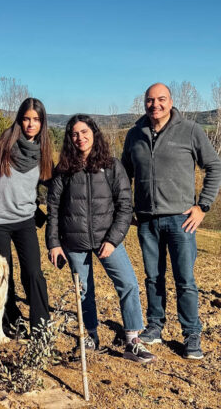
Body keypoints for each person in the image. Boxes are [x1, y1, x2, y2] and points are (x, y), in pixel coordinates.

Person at [121, 83, 221, 360]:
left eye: (161, 99)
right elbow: (123, 175)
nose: (155, 105)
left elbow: (215, 166)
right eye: (150, 100)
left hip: (181, 220)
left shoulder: (190, 130)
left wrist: (203, 206)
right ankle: (155, 326)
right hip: (146, 221)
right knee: (153, 278)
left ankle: (191, 334)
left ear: (171, 101)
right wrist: (126, 208)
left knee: (185, 280)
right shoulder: (134, 134)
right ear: (144, 103)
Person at [47, 115, 156, 364]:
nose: (80, 138)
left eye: (84, 132)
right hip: (73, 241)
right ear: (69, 138)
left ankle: (132, 341)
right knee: (84, 291)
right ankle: (90, 338)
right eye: (75, 134)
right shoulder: (64, 169)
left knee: (128, 284)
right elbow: (53, 208)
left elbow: (125, 207)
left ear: (94, 133)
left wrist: (113, 240)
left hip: (107, 239)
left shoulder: (112, 165)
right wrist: (53, 243)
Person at [0, 98, 52, 338]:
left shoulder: (43, 152)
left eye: (36, 120)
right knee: (2, 276)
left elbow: (54, 182)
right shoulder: (2, 144)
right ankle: (10, 321)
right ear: (19, 120)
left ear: (42, 123)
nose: (31, 124)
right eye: (26, 119)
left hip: (25, 220)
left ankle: (41, 327)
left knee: (33, 272)